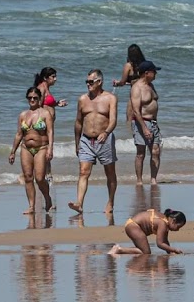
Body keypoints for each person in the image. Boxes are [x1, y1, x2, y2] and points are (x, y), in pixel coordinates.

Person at [69, 69, 119, 214]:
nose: (88, 84)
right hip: (86, 140)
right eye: (87, 82)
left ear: (99, 82)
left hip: (105, 139)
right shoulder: (82, 99)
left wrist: (106, 132)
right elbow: (78, 122)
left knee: (110, 173)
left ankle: (110, 202)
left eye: (91, 82)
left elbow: (113, 120)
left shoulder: (110, 98)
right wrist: (77, 142)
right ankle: (79, 203)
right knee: (83, 172)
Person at [9, 87, 55, 214]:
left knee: (40, 178)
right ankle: (31, 206)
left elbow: (50, 131)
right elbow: (19, 134)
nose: (32, 100)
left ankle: (47, 197)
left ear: (39, 98)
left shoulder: (45, 114)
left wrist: (50, 148)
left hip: (41, 147)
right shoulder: (23, 115)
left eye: (35, 97)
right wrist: (13, 151)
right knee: (28, 177)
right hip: (26, 148)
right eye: (30, 98)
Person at [130, 60, 163, 185]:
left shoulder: (151, 85)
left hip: (153, 122)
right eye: (154, 72)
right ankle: (139, 180)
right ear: (147, 73)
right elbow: (136, 111)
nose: (155, 74)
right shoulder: (137, 88)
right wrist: (144, 128)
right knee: (140, 153)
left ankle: (153, 179)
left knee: (156, 151)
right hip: (141, 122)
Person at [108, 208, 186, 255]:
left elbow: (165, 241)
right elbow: (160, 243)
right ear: (173, 221)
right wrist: (174, 249)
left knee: (142, 250)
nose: (178, 230)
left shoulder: (165, 221)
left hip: (132, 225)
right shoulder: (163, 223)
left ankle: (120, 250)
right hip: (134, 226)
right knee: (146, 252)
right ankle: (119, 250)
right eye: (178, 227)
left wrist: (170, 252)